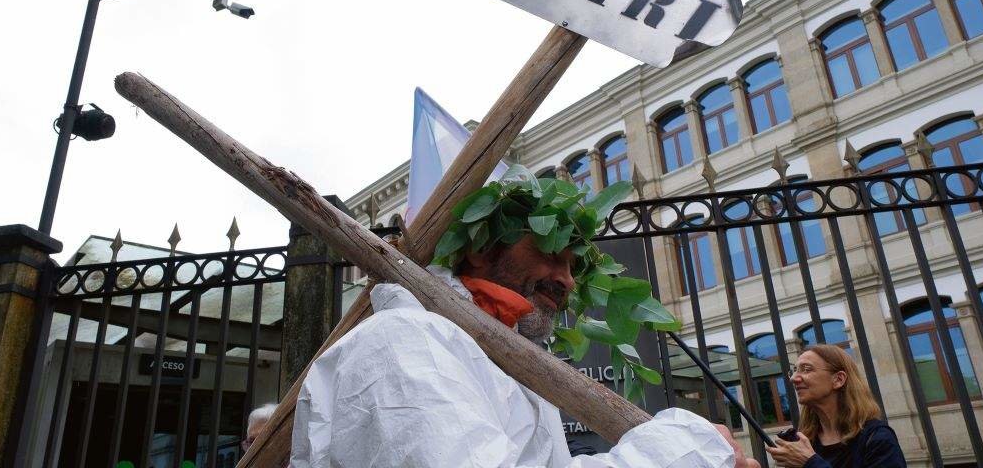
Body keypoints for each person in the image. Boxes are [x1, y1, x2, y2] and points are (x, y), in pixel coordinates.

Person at [291, 174, 759, 467]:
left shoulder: (501, 361)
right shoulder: (405, 341)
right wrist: (684, 452)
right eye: (553, 252)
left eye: (576, 268)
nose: (569, 282)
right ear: (478, 249)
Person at [766, 345, 905, 467]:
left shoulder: (877, 438)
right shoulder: (805, 440)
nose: (793, 378)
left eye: (806, 369)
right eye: (794, 371)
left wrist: (810, 463)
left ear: (838, 379)